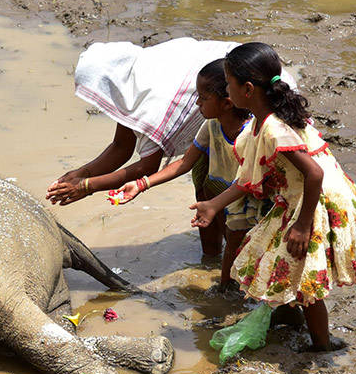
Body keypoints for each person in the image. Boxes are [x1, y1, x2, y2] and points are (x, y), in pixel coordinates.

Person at [190, 42, 356, 351]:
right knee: (277, 258)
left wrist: (302, 226)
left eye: (229, 84)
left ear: (247, 89)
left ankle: (322, 345)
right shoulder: (261, 122)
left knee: (305, 279)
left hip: (316, 201)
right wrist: (213, 205)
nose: (227, 90)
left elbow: (314, 174)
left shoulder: (274, 128)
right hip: (299, 198)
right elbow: (248, 178)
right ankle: (291, 319)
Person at [46, 37, 295, 258]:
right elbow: (123, 147)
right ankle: (210, 258)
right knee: (207, 190)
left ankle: (234, 260)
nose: (196, 103)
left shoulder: (158, 97)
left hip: (248, 89)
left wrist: (87, 186)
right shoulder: (203, 123)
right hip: (224, 111)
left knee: (241, 218)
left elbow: (148, 165)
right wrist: (82, 175)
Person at [111, 59, 261, 288]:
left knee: (235, 250)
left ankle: (225, 292)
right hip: (215, 193)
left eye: (204, 98)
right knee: (213, 249)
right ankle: (217, 275)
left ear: (227, 103)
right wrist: (141, 184)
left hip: (241, 200)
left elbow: (251, 179)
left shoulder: (252, 133)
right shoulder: (211, 126)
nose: (198, 103)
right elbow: (184, 163)